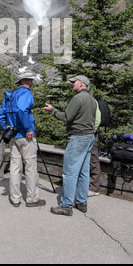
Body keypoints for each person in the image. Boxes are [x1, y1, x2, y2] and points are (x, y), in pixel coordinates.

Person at [42, 75, 96, 216]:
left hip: (78, 138)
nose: (72, 84)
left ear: (82, 84)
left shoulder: (77, 99)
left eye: (74, 82)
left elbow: (66, 117)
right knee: (84, 172)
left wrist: (52, 110)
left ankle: (66, 205)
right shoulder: (92, 99)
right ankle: (81, 202)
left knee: (70, 172)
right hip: (89, 137)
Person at [0, 72, 46, 208]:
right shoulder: (26, 93)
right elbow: (22, 110)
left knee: (15, 166)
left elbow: (0, 115)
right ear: (24, 81)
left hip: (13, 136)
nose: (32, 83)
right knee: (30, 167)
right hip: (26, 136)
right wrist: (28, 128)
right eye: (30, 80)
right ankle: (31, 199)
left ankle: (15, 198)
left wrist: (8, 129)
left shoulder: (10, 95)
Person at [89, 98, 101, 197]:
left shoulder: (93, 101)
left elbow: (97, 119)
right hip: (87, 134)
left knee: (93, 161)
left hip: (91, 135)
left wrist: (91, 132)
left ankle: (94, 188)